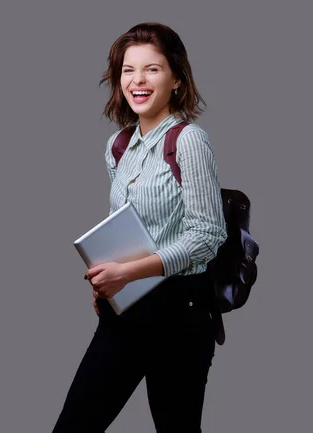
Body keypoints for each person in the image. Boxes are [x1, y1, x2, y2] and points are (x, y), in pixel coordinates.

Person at [52, 22, 227, 433]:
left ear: (177, 79)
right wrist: (110, 282)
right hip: (126, 313)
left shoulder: (189, 140)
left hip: (180, 316)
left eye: (152, 69)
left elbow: (207, 236)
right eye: (128, 70)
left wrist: (127, 273)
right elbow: (133, 227)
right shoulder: (119, 146)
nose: (138, 80)